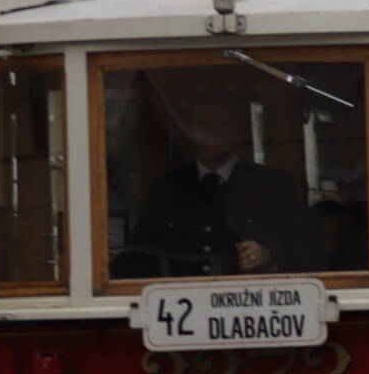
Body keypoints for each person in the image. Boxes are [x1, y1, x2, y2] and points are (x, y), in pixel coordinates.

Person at [118, 81, 317, 278]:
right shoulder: (165, 189)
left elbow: (308, 257)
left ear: (239, 128)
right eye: (202, 124)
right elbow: (138, 261)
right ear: (189, 130)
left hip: (254, 304)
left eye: (222, 123)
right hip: (182, 303)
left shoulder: (273, 187)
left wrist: (269, 258)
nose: (212, 132)